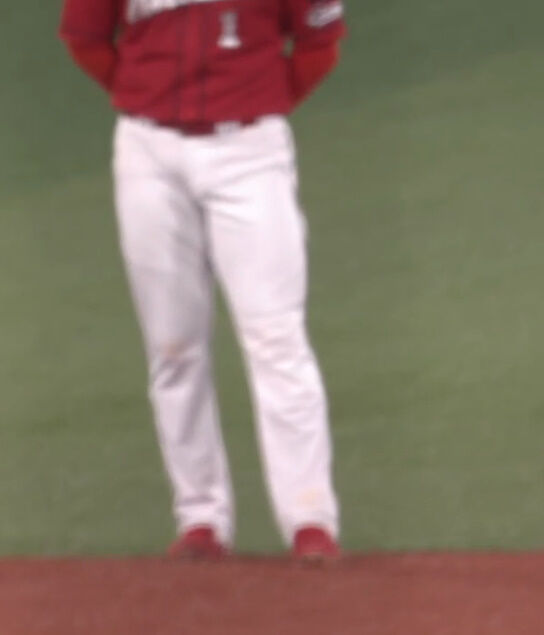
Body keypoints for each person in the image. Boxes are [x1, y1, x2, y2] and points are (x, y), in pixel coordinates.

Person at [58, 0, 347, 562]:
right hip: (148, 152)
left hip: (250, 151)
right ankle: (200, 518)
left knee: (275, 336)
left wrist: (256, 99)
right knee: (172, 344)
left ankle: (309, 518)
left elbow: (320, 45)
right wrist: (145, 94)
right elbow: (85, 38)